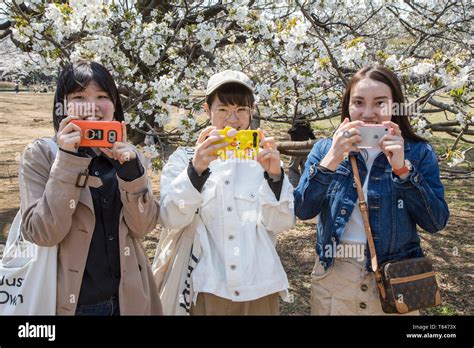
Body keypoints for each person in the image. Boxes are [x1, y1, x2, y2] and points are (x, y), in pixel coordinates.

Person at [294, 66, 449, 315]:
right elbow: (302, 210)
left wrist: (403, 170)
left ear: (395, 105)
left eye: (380, 103)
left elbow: (435, 221)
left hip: (394, 276)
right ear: (347, 106)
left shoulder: (418, 153)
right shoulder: (325, 150)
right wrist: (333, 158)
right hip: (335, 274)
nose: (368, 113)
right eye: (358, 102)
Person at [18, 60, 162, 315]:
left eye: (102, 96)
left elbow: (143, 227)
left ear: (114, 105)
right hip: (70, 303)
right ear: (62, 105)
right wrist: (67, 160)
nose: (91, 106)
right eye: (79, 96)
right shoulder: (41, 154)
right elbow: (42, 233)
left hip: (129, 299)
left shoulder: (129, 156)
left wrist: (131, 173)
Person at [157, 70, 294, 315]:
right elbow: (171, 218)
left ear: (251, 111)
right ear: (208, 110)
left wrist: (275, 178)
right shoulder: (184, 159)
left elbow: (281, 223)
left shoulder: (264, 160)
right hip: (206, 287)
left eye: (241, 109)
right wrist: (196, 169)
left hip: (259, 288)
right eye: (223, 110)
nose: (233, 119)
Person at [287, 117, 316, 187]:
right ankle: (305, 183)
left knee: (293, 168)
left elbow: (293, 140)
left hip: (295, 151)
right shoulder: (307, 128)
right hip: (306, 150)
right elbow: (313, 139)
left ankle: (295, 184)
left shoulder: (293, 130)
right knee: (305, 167)